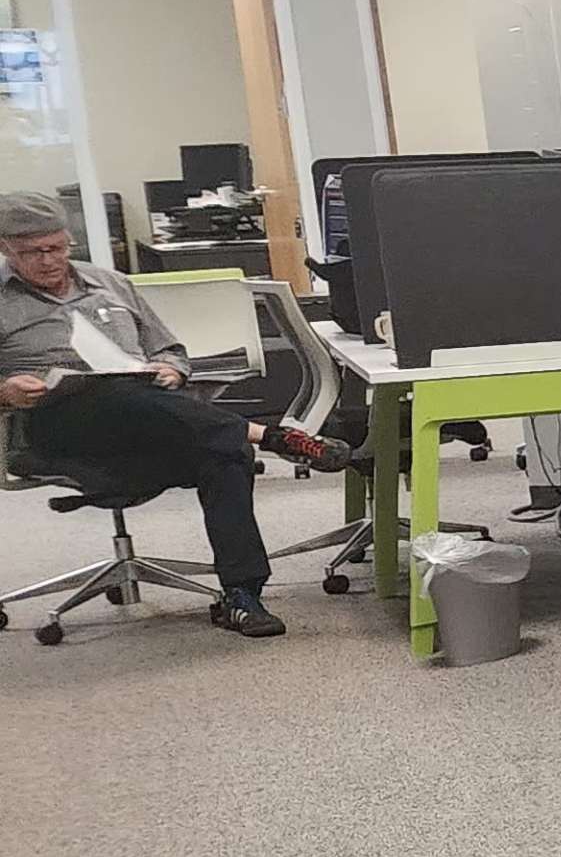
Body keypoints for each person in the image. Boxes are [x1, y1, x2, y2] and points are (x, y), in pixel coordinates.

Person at [0, 189, 353, 638]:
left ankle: (242, 595)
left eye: (57, 247)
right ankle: (273, 436)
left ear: (69, 240)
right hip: (56, 426)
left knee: (225, 454)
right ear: (6, 249)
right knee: (114, 395)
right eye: (33, 253)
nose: (49, 260)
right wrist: (7, 391)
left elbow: (169, 349)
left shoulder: (111, 284)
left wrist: (171, 369)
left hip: (148, 419)